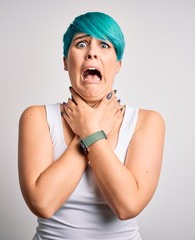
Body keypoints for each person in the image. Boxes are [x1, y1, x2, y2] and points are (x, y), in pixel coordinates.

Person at [18, 12, 165, 240]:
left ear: (118, 65)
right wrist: (91, 130)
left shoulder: (147, 122)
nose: (92, 52)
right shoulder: (37, 117)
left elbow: (127, 206)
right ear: (66, 62)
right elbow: (43, 203)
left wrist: (90, 131)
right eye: (82, 43)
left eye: (104, 45)